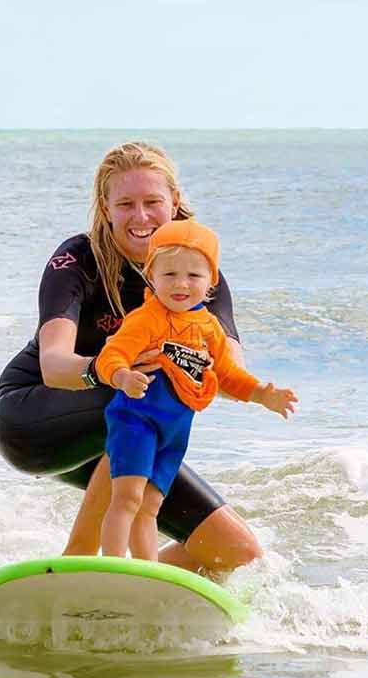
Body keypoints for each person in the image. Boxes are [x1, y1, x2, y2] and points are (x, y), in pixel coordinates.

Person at [0, 141, 265, 575]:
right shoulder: (77, 260)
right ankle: (80, 556)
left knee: (237, 552)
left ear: (174, 201)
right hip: (33, 416)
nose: (141, 217)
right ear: (106, 207)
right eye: (126, 204)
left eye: (153, 202)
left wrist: (212, 370)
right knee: (138, 389)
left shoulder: (196, 273)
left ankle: (136, 583)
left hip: (127, 431)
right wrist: (114, 373)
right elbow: (54, 364)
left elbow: (228, 364)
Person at [94, 220, 297, 560]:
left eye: (194, 276)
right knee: (127, 497)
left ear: (211, 281)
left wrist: (263, 393)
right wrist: (122, 377)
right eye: (169, 274)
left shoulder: (208, 327)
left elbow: (228, 374)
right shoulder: (146, 319)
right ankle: (112, 565)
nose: (181, 284)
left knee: (150, 506)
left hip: (174, 429)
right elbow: (110, 356)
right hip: (136, 419)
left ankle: (147, 572)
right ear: (151, 276)